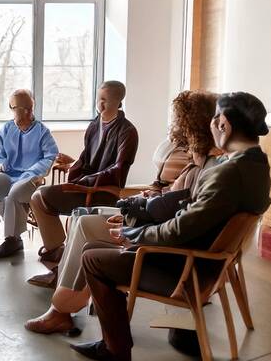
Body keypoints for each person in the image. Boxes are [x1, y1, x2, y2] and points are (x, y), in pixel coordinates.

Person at [72, 91, 271, 361]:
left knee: (91, 258)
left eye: (214, 121)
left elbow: (180, 230)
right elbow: (194, 216)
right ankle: (148, 337)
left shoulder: (227, 173)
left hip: (185, 269)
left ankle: (114, 348)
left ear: (223, 124)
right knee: (95, 247)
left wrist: (135, 235)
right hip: (206, 262)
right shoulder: (257, 166)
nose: (211, 127)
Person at [24, 90, 220, 335]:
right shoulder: (199, 163)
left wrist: (133, 226)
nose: (172, 126)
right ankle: (60, 286)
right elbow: (173, 198)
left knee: (83, 223)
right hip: (146, 217)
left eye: (176, 120)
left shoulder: (202, 167)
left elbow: (174, 214)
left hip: (148, 233)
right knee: (79, 219)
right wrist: (150, 197)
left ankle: (61, 307)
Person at [29, 81, 138, 263]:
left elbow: (118, 170)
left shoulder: (128, 131)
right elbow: (86, 159)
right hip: (85, 185)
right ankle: (57, 249)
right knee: (37, 196)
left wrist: (87, 179)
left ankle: (59, 251)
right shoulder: (95, 126)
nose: (100, 104)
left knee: (41, 197)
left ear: (118, 102)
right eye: (98, 99)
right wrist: (73, 166)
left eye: (105, 100)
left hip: (103, 191)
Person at [0, 89, 58, 258]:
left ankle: (12, 240)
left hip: (31, 179)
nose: (10, 110)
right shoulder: (7, 128)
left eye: (12, 107)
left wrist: (31, 172)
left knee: (13, 193)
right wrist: (1, 164)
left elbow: (49, 157)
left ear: (27, 109)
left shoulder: (42, 132)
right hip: (9, 175)